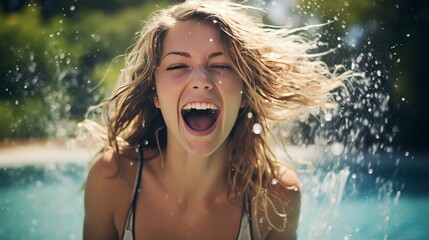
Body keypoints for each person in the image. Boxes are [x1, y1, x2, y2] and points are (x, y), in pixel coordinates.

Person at [82, 0, 356, 239]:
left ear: (245, 92)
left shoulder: (276, 196)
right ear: (154, 93)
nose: (201, 81)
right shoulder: (112, 179)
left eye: (221, 66)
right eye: (178, 66)